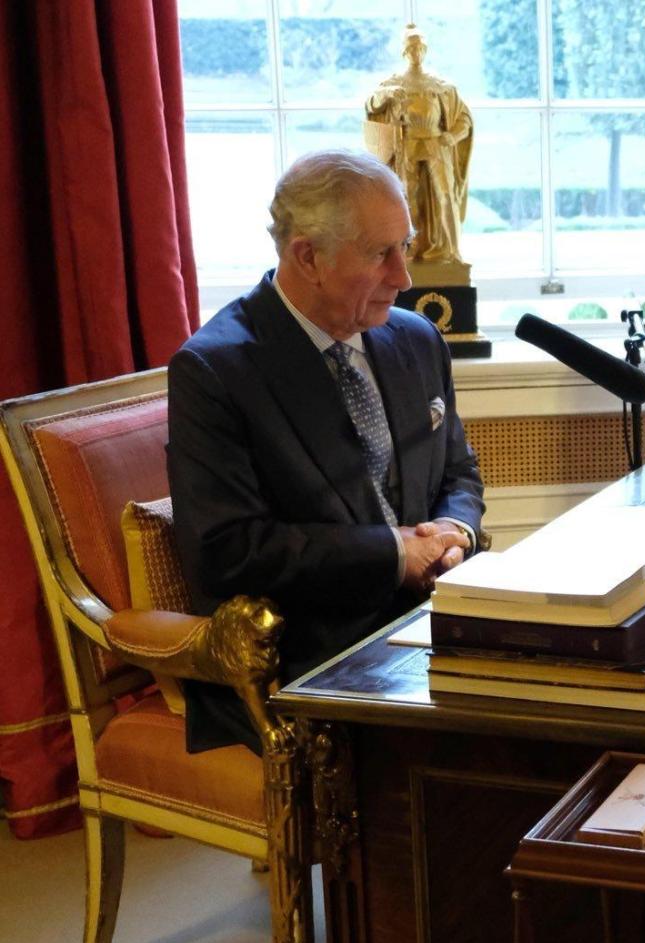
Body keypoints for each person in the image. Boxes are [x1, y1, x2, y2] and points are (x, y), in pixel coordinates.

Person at [168, 149, 484, 753]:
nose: (405, 276)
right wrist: (394, 554)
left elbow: (459, 472)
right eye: (379, 254)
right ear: (307, 256)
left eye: (405, 247)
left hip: (430, 621)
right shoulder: (218, 368)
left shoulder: (415, 339)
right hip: (306, 655)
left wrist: (455, 534)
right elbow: (227, 551)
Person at [365, 24, 472, 268]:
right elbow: (372, 104)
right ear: (404, 52)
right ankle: (408, 250)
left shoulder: (441, 85)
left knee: (445, 195)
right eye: (411, 48)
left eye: (419, 48)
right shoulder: (393, 83)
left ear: (425, 50)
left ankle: (449, 251)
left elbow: (463, 118)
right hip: (407, 146)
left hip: (437, 144)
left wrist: (452, 137)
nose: (416, 52)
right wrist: (388, 94)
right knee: (407, 197)